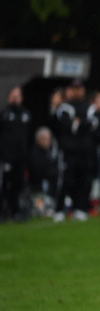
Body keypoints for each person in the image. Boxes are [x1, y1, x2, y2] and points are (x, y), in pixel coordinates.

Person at [54, 79, 100, 220]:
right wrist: (82, 125)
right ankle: (59, 209)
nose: (77, 91)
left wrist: (79, 124)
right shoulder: (65, 107)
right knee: (67, 180)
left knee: (84, 180)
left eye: (79, 88)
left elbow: (95, 124)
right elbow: (68, 126)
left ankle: (80, 208)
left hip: (85, 151)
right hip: (70, 151)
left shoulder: (90, 107)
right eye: (74, 89)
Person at [0, 86, 32, 221]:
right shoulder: (4, 114)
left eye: (18, 95)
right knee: (4, 186)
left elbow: (28, 136)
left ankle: (16, 211)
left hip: (21, 158)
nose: (15, 98)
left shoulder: (26, 114)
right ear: (9, 97)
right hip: (6, 157)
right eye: (13, 95)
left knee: (18, 185)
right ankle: (3, 212)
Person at [27, 126, 61, 217]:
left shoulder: (51, 152)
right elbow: (38, 171)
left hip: (51, 185)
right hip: (38, 187)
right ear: (38, 139)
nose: (47, 141)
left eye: (48, 139)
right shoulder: (34, 153)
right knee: (39, 208)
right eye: (44, 139)